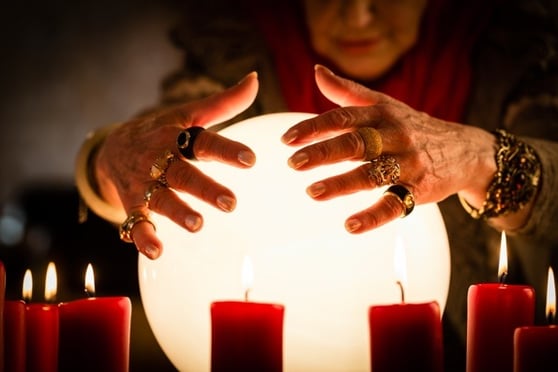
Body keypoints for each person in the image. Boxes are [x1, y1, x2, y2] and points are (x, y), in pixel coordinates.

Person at [75, 0, 558, 369]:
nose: (358, 17)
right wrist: (106, 160)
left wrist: (483, 160)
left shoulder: (517, 53)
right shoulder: (236, 52)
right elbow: (158, 152)